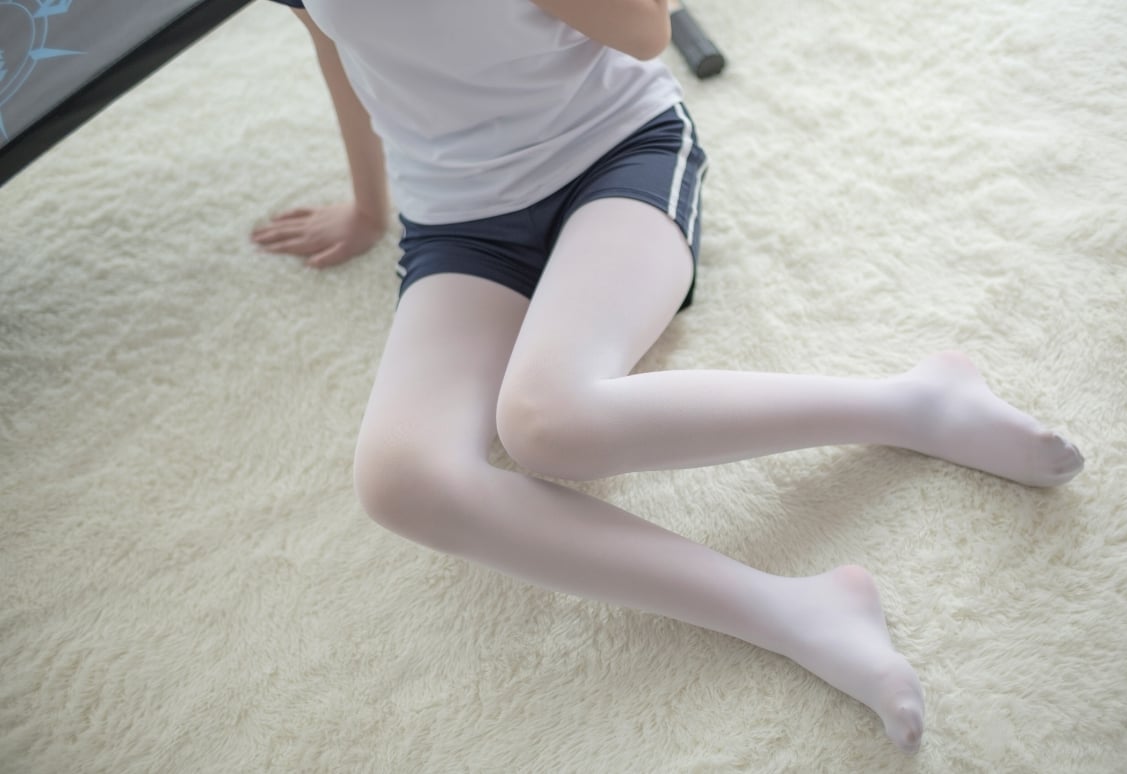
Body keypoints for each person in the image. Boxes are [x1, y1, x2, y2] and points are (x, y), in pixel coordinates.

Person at [251, 0, 1085, 754]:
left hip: (616, 157)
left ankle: (916, 404)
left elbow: (646, 29)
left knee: (549, 422)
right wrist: (370, 206)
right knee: (401, 481)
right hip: (459, 223)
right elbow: (332, 38)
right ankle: (796, 611)